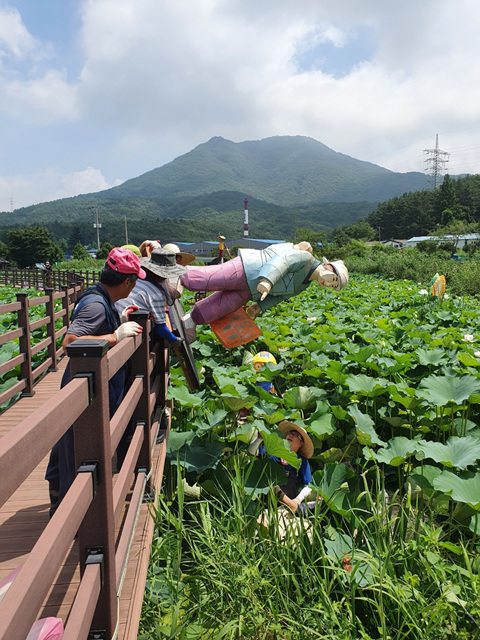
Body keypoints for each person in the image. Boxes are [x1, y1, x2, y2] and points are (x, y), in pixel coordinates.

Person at [45, 247, 146, 516]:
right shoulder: (95, 306)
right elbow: (70, 343)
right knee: (80, 454)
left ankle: (64, 506)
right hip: (84, 391)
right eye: (135, 281)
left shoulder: (99, 298)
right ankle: (74, 518)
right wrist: (115, 337)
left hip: (83, 386)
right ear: (126, 282)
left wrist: (118, 321)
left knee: (71, 452)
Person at [180, 242, 349, 342]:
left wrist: (259, 307)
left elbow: (281, 297)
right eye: (333, 278)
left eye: (332, 285)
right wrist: (268, 280)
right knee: (208, 279)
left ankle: (190, 320)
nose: (328, 283)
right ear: (328, 266)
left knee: (219, 308)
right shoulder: (305, 259)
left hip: (250, 292)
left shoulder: (303, 285)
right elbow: (282, 261)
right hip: (249, 269)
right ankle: (175, 275)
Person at [116, 248, 188, 345]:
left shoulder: (135, 280)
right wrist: (174, 339)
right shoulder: (156, 293)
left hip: (113, 324)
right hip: (126, 333)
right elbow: (161, 328)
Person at [248, 421, 313, 514]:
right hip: (266, 503)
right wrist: (259, 439)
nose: (290, 435)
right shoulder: (273, 450)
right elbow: (251, 452)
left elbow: (309, 486)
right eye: (289, 433)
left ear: (301, 443)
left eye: (295, 435)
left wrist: (297, 500)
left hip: (290, 506)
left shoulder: (302, 461)